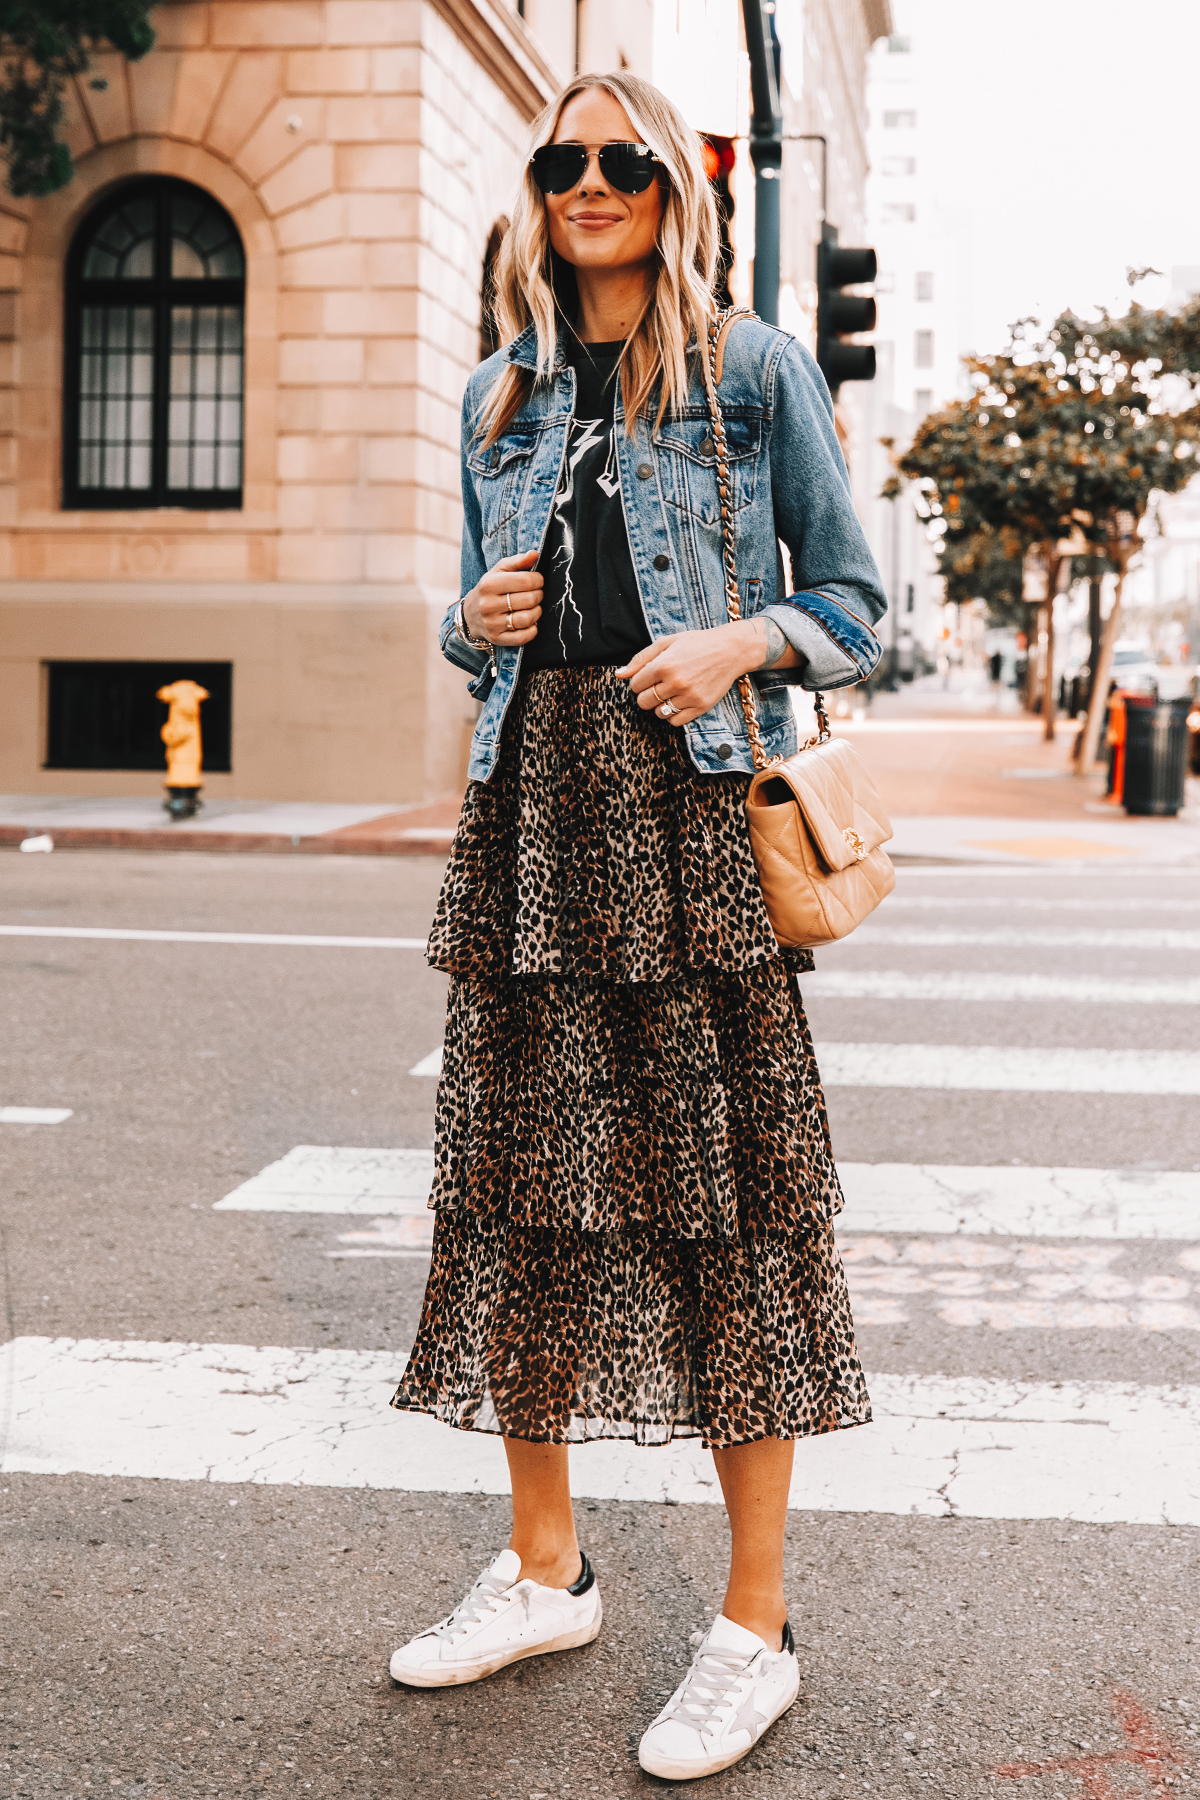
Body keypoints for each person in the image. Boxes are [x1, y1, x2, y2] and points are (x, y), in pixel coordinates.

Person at [389, 70, 886, 1782]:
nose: (588, 183)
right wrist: (472, 616)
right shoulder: (497, 392)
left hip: (685, 820)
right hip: (530, 819)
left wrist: (739, 645)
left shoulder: (751, 370)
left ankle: (754, 1625)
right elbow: (483, 631)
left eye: (622, 161)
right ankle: (545, 1571)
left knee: (727, 1214)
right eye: (563, 160)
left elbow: (853, 603)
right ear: (539, 191)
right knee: (519, 1195)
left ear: (675, 189)